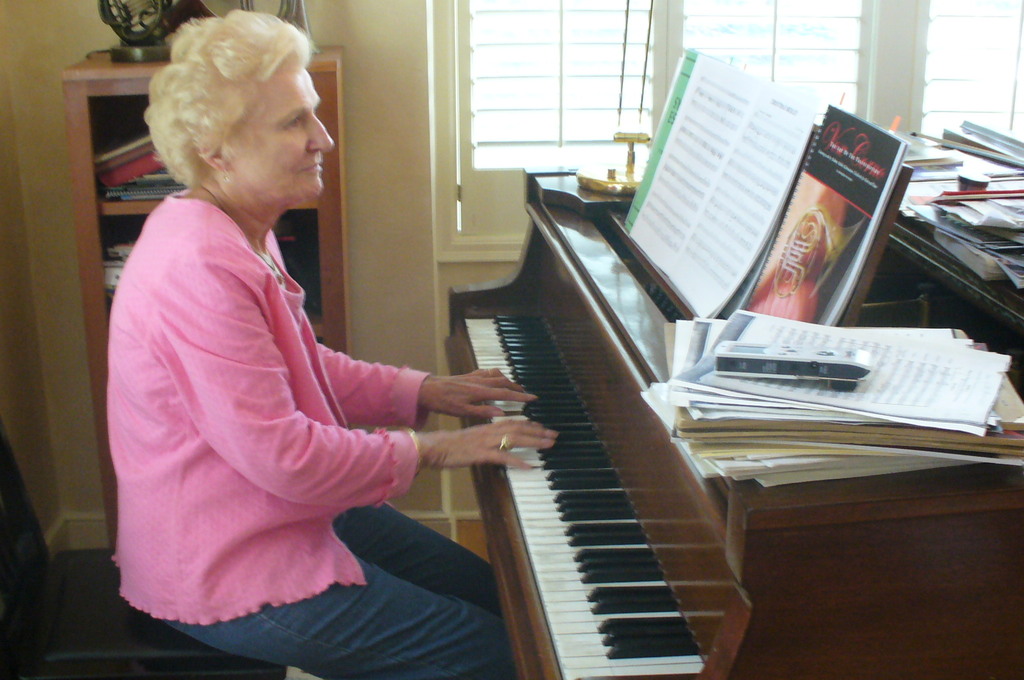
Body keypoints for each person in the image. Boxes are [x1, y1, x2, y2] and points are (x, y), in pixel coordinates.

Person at [105, 10, 557, 680]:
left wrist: (424, 391)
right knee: (500, 657)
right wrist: (436, 449)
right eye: (294, 123)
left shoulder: (238, 227)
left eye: (313, 114)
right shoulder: (197, 266)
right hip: (224, 562)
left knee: (512, 605)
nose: (325, 138)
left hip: (277, 514)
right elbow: (283, 455)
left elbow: (302, 368)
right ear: (215, 148)